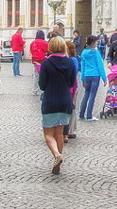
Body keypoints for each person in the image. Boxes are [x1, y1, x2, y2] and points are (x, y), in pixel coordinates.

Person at [39, 35, 76, 175]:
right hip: (65, 100)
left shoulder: (46, 63)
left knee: (48, 134)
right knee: (59, 133)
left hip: (50, 101)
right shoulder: (70, 63)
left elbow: (42, 85)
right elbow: (72, 83)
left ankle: (56, 155)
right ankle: (58, 160)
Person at [79, 35, 106, 120]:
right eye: (96, 42)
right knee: (92, 95)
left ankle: (81, 114)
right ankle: (89, 115)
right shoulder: (96, 52)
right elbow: (100, 65)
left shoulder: (83, 52)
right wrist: (104, 78)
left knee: (86, 94)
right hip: (95, 75)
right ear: (93, 43)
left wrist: (82, 79)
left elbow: (82, 66)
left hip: (87, 75)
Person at [64, 40, 81, 142]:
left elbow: (73, 74)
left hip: (73, 87)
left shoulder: (73, 60)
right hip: (68, 87)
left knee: (72, 108)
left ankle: (70, 129)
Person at [30, 30, 49, 94]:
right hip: (42, 60)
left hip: (35, 60)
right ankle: (42, 90)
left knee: (35, 74)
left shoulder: (33, 42)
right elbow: (48, 50)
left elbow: (31, 50)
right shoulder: (44, 42)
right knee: (42, 74)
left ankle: (34, 90)